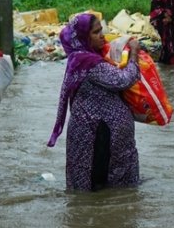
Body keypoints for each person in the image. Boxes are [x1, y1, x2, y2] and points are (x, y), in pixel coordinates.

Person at [48, 13, 142, 191]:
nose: (102, 36)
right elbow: (123, 79)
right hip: (97, 134)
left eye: (102, 31)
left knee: (99, 187)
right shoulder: (87, 62)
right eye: (95, 32)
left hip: (97, 131)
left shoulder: (84, 57)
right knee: (99, 188)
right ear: (83, 36)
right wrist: (134, 54)